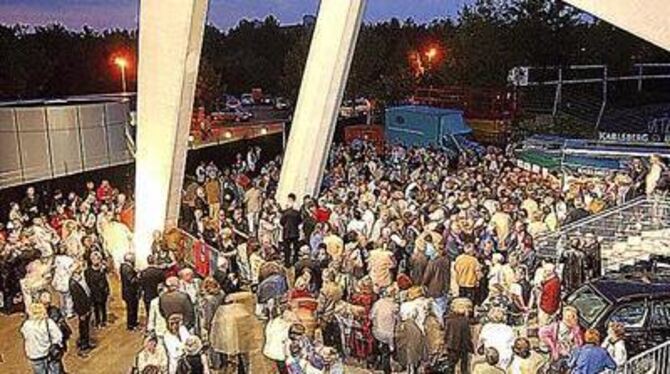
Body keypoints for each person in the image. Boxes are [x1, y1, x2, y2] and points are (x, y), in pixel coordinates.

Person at [21, 303, 64, 374]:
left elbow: (25, 334)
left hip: (34, 354)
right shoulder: (48, 322)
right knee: (54, 370)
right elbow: (58, 336)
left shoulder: (27, 325)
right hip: (49, 352)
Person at [69, 264, 95, 356]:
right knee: (83, 327)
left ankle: (86, 342)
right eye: (79, 268)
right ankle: (84, 345)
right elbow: (77, 301)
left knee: (86, 326)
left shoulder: (80, 279)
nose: (81, 269)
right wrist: (82, 313)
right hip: (82, 310)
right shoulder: (73, 283)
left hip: (86, 306)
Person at [444, 298, 474, 374]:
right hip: (462, 346)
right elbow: (466, 337)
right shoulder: (464, 321)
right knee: (464, 367)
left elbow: (446, 333)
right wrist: (471, 348)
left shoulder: (449, 318)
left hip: (451, 345)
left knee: (451, 366)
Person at [85, 251, 110, 329]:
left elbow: (105, 280)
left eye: (97, 259)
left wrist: (107, 290)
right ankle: (97, 322)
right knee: (96, 308)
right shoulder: (88, 271)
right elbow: (88, 283)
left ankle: (104, 321)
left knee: (103, 307)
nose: (96, 261)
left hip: (102, 292)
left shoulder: (102, 270)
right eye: (94, 259)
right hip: (94, 292)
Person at [120, 252, 141, 331]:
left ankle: (134, 322)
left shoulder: (125, 266)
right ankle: (131, 325)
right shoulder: (127, 268)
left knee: (133, 308)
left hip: (129, 292)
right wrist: (138, 276)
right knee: (131, 309)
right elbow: (132, 280)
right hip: (130, 293)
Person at [279, 193, 301, 268]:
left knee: (287, 249)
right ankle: (295, 261)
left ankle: (287, 263)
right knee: (295, 248)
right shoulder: (297, 212)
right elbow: (300, 221)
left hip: (286, 232)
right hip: (295, 232)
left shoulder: (286, 212)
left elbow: (281, 221)